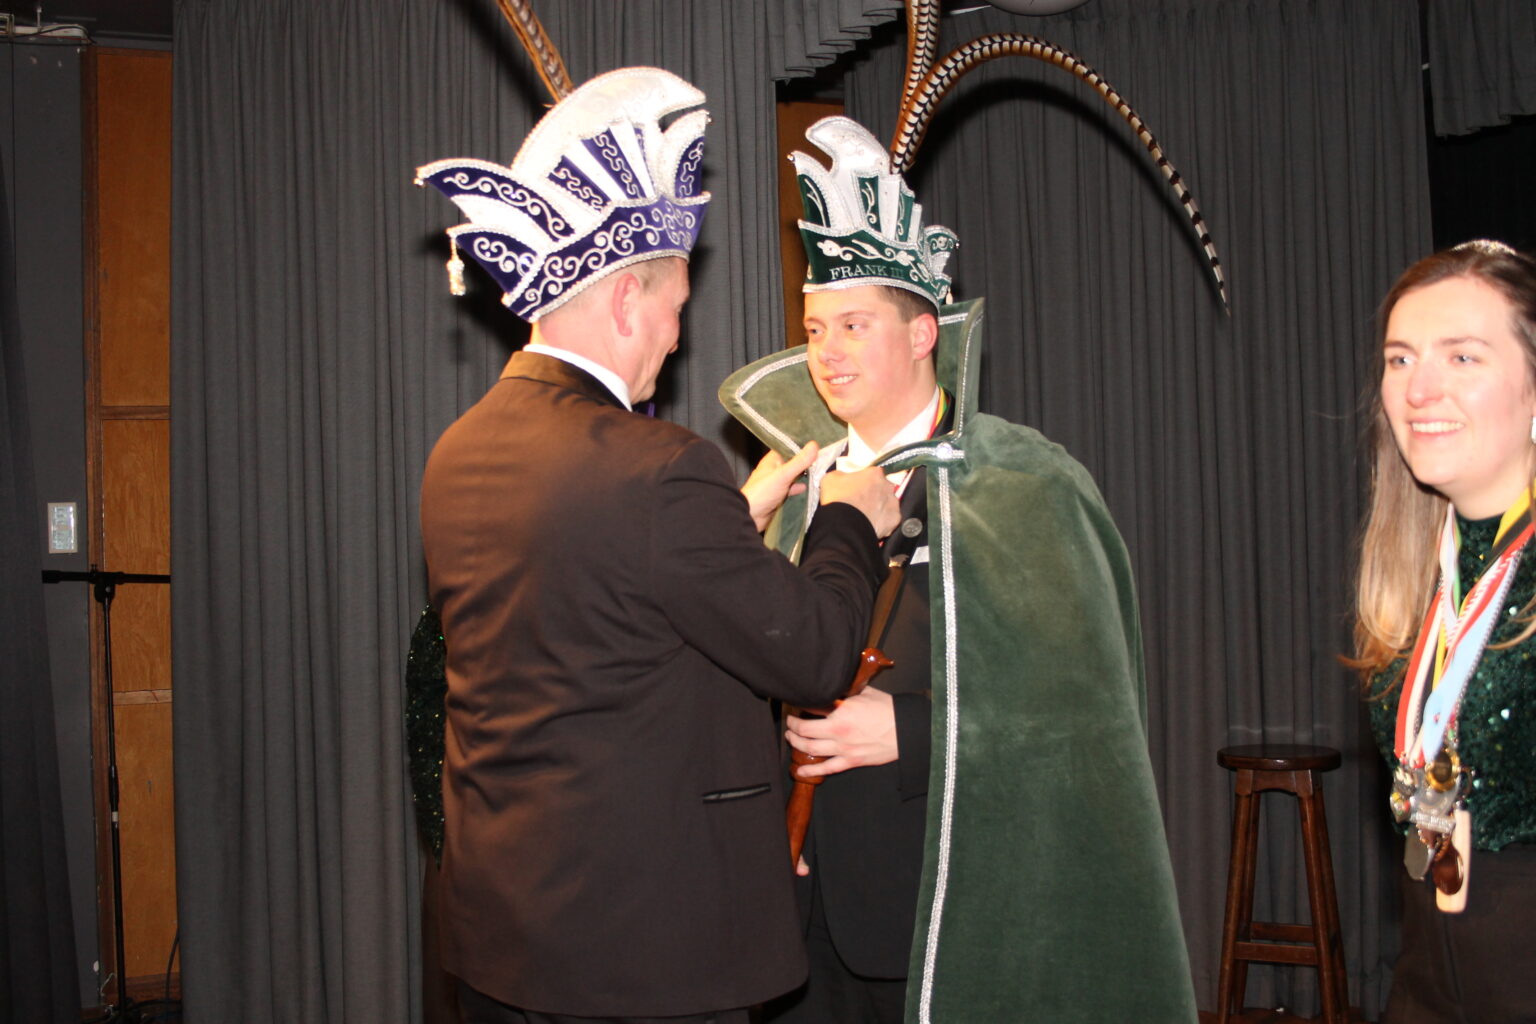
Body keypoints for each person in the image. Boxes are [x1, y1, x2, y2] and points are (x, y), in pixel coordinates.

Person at [414, 70, 901, 1024]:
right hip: (642, 953)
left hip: (504, 935)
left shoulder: (456, 453)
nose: (677, 339)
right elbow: (813, 652)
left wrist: (730, 526)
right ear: (626, 301)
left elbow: (592, 608)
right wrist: (846, 516)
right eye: (677, 307)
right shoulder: (659, 469)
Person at [720, 116, 1198, 1023]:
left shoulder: (1022, 484)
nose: (826, 352)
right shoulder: (788, 492)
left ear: (920, 334)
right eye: (816, 327)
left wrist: (909, 730)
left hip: (944, 915)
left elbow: (1086, 719)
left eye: (854, 325)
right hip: (796, 910)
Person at [1352, 240, 1536, 1023]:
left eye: (1462, 357)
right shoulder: (1414, 570)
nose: (1419, 388)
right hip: (1429, 959)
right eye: (1401, 359)